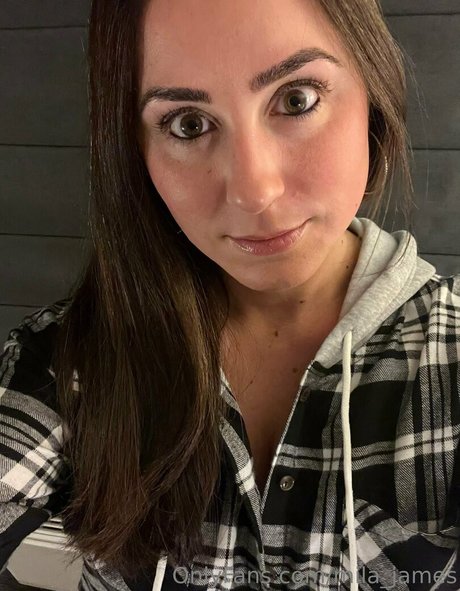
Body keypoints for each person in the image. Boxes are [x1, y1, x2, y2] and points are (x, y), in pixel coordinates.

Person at [1, 0, 459, 590]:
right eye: (188, 124)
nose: (253, 191)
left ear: (372, 94)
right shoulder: (71, 358)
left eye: (297, 99)